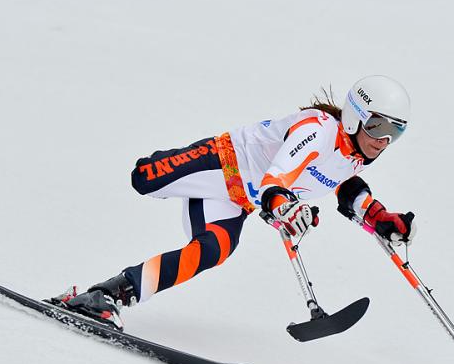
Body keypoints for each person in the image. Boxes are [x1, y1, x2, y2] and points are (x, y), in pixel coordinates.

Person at [50, 75, 417, 328]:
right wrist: (283, 205)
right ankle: (164, 166)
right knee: (144, 178)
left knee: (213, 251)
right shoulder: (317, 130)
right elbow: (278, 177)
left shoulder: (353, 153)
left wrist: (379, 217)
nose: (382, 142)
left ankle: (106, 296)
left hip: (236, 200)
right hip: (221, 161)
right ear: (355, 116)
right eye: (377, 128)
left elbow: (344, 182)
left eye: (394, 134)